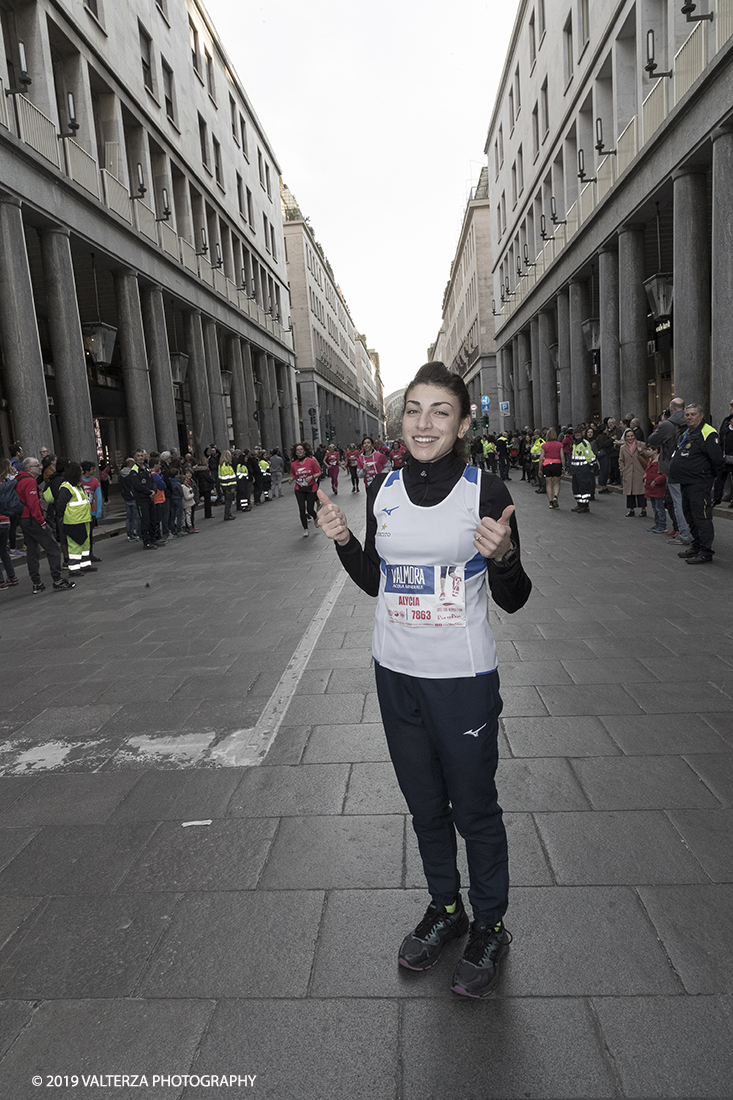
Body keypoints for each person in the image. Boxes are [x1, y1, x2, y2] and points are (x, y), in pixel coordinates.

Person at [317, 361, 531, 998]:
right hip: (395, 674)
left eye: (440, 410)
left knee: (474, 807)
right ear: (400, 418)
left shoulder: (483, 491)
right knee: (424, 805)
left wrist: (506, 557)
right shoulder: (383, 487)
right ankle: (447, 908)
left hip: (460, 679)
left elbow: (515, 598)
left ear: (463, 422)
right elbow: (380, 584)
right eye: (414, 409)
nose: (424, 421)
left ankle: (490, 923)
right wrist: (343, 542)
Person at [668, 403, 724, 564]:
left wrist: (708, 477)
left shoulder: (708, 432)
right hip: (685, 482)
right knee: (689, 515)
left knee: (702, 517)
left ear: (701, 415)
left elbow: (717, 460)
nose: (689, 417)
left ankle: (706, 551)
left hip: (699, 483)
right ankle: (697, 545)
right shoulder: (688, 432)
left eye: (693, 414)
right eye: (687, 415)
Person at [15, 457, 75, 592]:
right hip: (33, 519)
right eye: (37, 465)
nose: (40, 468)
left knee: (32, 551)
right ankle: (58, 580)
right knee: (53, 548)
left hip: (23, 519)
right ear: (29, 468)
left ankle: (36, 583)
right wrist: (41, 521)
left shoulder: (18, 480)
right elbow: (33, 504)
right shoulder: (29, 481)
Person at [648, 398, 690, 544]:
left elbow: (652, 440)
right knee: (688, 501)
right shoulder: (691, 421)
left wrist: (660, 425)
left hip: (672, 467)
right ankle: (691, 531)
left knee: (677, 502)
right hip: (689, 466)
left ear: (671, 408)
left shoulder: (667, 424)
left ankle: (684, 534)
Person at [56, 462, 95, 576]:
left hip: (83, 519)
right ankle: (73, 568)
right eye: (80, 470)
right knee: (75, 545)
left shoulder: (77, 485)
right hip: (73, 521)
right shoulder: (66, 487)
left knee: (84, 544)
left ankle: (85, 565)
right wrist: (61, 517)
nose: (82, 472)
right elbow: (60, 504)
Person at [289, 442, 321, 536]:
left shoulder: (310, 461)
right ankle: (305, 529)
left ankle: (315, 517)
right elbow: (293, 474)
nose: (299, 451)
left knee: (310, 509)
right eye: (297, 450)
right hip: (299, 488)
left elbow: (319, 472)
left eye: (301, 449)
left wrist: (312, 477)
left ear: (304, 451)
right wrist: (291, 479)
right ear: (295, 452)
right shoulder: (294, 464)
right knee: (302, 508)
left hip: (311, 487)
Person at [619, 429, 648, 517]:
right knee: (630, 493)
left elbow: (648, 455)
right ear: (625, 438)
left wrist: (641, 451)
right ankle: (631, 510)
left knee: (641, 492)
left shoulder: (641, 444)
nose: (630, 438)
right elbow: (621, 460)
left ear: (634, 436)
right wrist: (622, 470)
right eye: (628, 436)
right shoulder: (623, 448)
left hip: (639, 472)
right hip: (628, 472)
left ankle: (643, 509)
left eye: (632, 436)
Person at [569, 426, 595, 513]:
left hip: (583, 469)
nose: (577, 435)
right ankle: (579, 504)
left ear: (582, 434)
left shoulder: (585, 444)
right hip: (575, 469)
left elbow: (589, 456)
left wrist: (591, 466)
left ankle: (585, 506)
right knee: (576, 488)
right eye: (576, 433)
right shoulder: (574, 444)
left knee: (584, 487)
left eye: (579, 433)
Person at [713, 399, 733, 507]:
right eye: (731, 406)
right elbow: (721, 435)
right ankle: (717, 498)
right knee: (721, 478)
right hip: (725, 455)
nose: (731, 408)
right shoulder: (726, 421)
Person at [643, 445, 667, 533]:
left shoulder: (660, 461)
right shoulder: (650, 461)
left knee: (659, 508)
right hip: (652, 488)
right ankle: (657, 523)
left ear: (655, 450)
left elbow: (664, 475)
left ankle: (662, 525)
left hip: (658, 488)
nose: (647, 452)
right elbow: (647, 471)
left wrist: (656, 481)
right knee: (654, 507)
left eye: (649, 450)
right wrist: (645, 478)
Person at [540, 429, 564, 508]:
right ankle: (555, 496)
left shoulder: (544, 445)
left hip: (547, 464)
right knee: (556, 483)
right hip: (557, 464)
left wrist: (540, 469)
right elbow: (562, 456)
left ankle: (550, 502)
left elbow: (541, 458)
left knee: (549, 484)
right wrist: (563, 467)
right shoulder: (559, 445)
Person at [218, 450, 237, 520]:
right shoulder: (225, 466)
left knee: (228, 501)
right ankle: (227, 515)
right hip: (228, 486)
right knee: (228, 502)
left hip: (224, 486)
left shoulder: (221, 465)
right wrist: (232, 487)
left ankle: (228, 514)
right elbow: (228, 478)